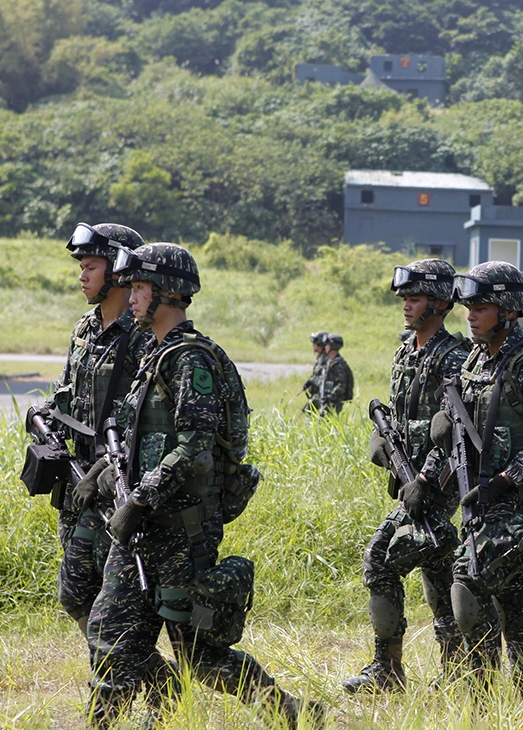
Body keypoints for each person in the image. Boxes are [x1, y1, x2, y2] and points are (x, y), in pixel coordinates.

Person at [86, 243, 310, 728]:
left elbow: (195, 450)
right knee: (110, 636)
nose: (132, 297)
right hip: (144, 527)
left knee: (200, 656)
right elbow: (138, 437)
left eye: (141, 287)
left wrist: (141, 498)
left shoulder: (190, 361)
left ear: (168, 292)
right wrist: (108, 477)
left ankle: (290, 712)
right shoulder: (154, 354)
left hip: (182, 530)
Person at [38, 223, 181, 718]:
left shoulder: (143, 338)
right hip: (74, 483)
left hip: (113, 486)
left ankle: (140, 689)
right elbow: (68, 390)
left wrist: (107, 469)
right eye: (81, 266)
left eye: (91, 266)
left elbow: (144, 418)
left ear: (119, 270)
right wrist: (45, 417)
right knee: (77, 595)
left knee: (105, 601)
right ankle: (155, 677)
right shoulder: (85, 326)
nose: (83, 275)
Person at [419, 261, 523, 689]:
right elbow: (454, 440)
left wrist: (503, 481)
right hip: (477, 495)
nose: (469, 314)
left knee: (468, 579)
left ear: (507, 311)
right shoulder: (472, 361)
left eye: (480, 307)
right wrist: (428, 480)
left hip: (518, 498)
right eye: (468, 306)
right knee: (510, 589)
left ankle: (480, 690)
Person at [344, 259, 470, 693]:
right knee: (437, 571)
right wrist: (382, 445)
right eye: (404, 299)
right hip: (408, 484)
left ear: (438, 304)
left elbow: (454, 430)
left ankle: (387, 669)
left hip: (439, 484)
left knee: (379, 558)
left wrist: (426, 479)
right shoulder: (404, 353)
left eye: (413, 299)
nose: (405, 306)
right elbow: (397, 419)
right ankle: (459, 672)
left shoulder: (455, 358)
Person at [320, 334, 354, 414]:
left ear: (333, 346)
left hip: (334, 401)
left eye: (328, 345)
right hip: (327, 400)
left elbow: (341, 384)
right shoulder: (330, 361)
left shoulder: (338, 364)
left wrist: (331, 395)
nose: (326, 347)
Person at [302, 331, 328, 412]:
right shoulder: (320, 357)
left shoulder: (328, 360)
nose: (313, 345)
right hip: (316, 395)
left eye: (315, 343)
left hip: (324, 396)